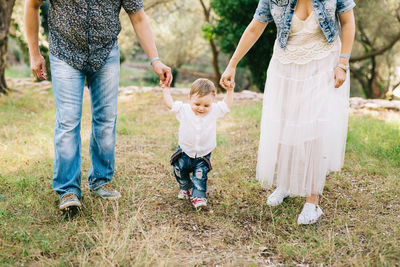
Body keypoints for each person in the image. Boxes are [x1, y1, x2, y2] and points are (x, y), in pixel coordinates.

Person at [25, 0, 172, 210]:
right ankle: (68, 190)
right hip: (65, 51)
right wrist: (34, 53)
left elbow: (138, 16)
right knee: (68, 120)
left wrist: (155, 60)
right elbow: (32, 5)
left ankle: (100, 181)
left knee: (105, 119)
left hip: (105, 53)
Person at [220, 0, 355, 224]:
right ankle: (286, 183)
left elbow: (348, 21)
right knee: (283, 125)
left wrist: (342, 63)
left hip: (324, 62)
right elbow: (255, 26)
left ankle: (313, 201)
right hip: (285, 64)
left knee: (314, 129)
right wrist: (232, 64)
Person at [162, 79, 233, 208]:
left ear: (212, 102)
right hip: (184, 150)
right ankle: (186, 188)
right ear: (189, 99)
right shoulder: (184, 109)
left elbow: (226, 105)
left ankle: (199, 197)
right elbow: (170, 105)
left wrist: (230, 90)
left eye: (206, 105)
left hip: (203, 153)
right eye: (197, 104)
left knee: (200, 175)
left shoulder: (214, 110)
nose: (201, 108)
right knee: (179, 171)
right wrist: (166, 89)